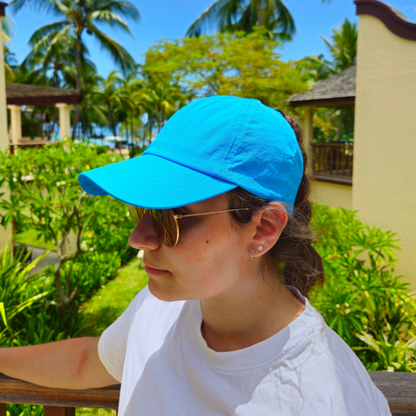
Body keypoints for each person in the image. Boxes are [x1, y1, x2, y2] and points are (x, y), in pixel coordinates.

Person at [1, 96, 391, 416]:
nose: (139, 239)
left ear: (263, 228)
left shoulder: (330, 398)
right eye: (143, 211)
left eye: (173, 218)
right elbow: (87, 361)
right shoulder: (159, 309)